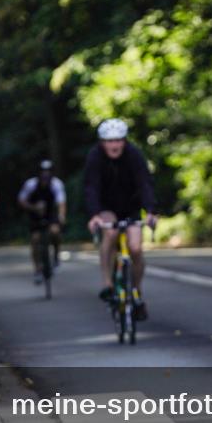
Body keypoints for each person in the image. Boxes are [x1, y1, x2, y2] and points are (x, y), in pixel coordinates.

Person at [83, 118, 158, 320]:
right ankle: (108, 284)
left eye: (118, 140)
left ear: (124, 141)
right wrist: (94, 215)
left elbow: (145, 183)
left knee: (135, 248)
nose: (114, 145)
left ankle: (136, 292)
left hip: (131, 207)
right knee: (111, 232)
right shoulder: (95, 157)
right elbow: (91, 187)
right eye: (109, 141)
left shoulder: (134, 155)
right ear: (102, 142)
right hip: (107, 207)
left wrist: (150, 211)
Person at [17, 159, 67, 285]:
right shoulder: (31, 184)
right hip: (35, 215)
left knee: (55, 232)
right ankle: (38, 270)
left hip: (51, 214)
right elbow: (21, 200)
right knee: (35, 240)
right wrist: (33, 207)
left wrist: (61, 216)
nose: (46, 174)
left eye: (48, 172)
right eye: (43, 172)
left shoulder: (56, 184)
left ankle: (55, 256)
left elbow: (61, 203)